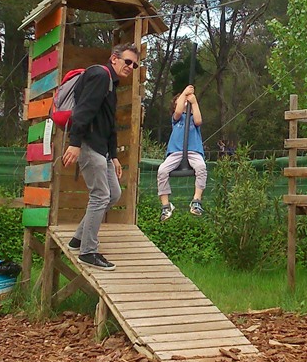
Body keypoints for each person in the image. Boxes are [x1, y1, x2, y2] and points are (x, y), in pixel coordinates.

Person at [62, 43, 140, 270]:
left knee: (113, 194)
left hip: (102, 149)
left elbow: (109, 124)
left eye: (134, 65)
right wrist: (75, 143)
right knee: (100, 195)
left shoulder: (111, 84)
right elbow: (83, 111)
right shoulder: (99, 75)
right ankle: (88, 251)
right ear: (114, 58)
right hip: (88, 145)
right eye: (127, 61)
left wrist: (114, 156)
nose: (131, 67)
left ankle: (78, 239)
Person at [157, 84, 207, 220]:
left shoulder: (192, 118)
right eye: (182, 100)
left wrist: (194, 102)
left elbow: (198, 120)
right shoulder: (176, 118)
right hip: (176, 152)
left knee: (201, 168)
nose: (185, 101)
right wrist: (184, 93)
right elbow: (179, 111)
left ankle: (196, 200)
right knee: (162, 171)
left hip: (194, 151)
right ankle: (166, 205)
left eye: (186, 100)